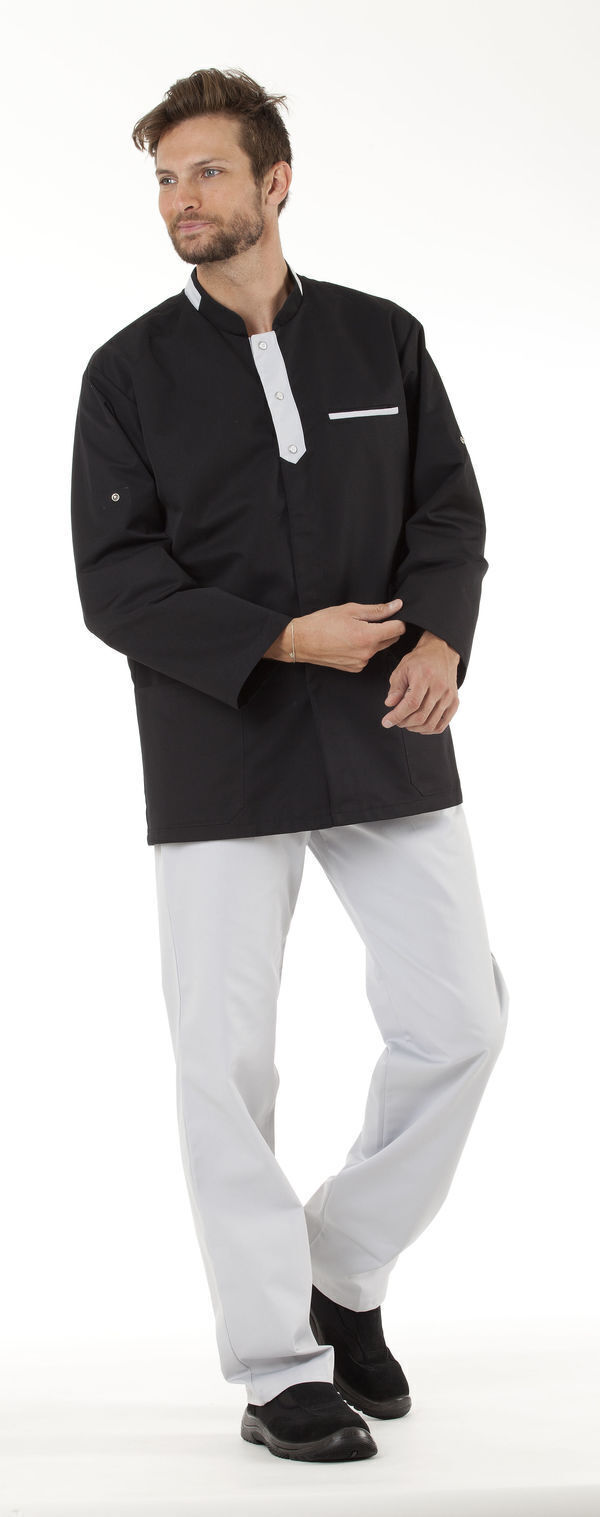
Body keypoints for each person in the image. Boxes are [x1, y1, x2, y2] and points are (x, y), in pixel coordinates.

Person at [70, 66, 510, 1465]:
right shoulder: (128, 374)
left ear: (275, 181)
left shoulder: (383, 339)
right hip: (219, 741)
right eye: (163, 178)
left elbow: (448, 510)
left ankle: (343, 1270)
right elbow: (115, 582)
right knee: (226, 1062)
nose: (179, 200)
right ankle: (276, 1365)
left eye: (205, 171)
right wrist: (279, 637)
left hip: (384, 723)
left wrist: (441, 636)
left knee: (463, 1021)